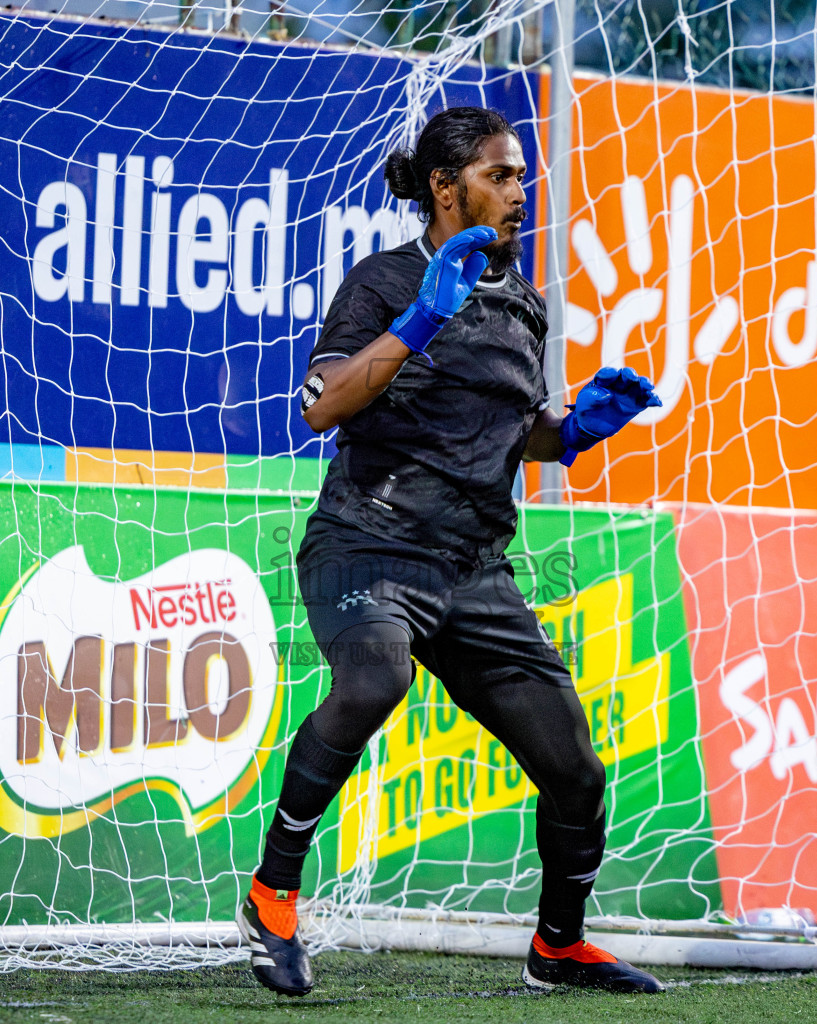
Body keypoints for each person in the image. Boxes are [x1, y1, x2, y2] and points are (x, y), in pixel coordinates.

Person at [237, 106, 663, 997]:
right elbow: (322, 405)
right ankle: (272, 892)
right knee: (374, 681)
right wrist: (422, 319)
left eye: (521, 178)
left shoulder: (524, 304)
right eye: (501, 176)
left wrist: (574, 430)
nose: (520, 194)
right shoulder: (386, 284)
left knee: (576, 770)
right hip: (366, 544)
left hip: (473, 571)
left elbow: (518, 433)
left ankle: (559, 944)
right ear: (445, 187)